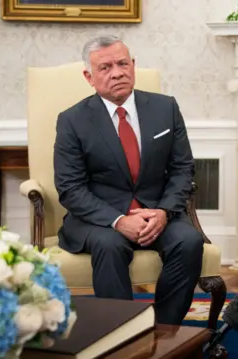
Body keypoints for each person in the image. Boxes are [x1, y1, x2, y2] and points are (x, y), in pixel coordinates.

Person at [53, 35, 204, 325]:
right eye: (106, 67)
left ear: (133, 65)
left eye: (123, 63)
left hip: (157, 211)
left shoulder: (166, 108)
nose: (117, 72)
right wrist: (119, 220)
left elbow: (182, 168)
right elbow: (70, 188)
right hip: (100, 220)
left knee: (188, 241)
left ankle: (164, 331)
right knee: (110, 245)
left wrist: (163, 213)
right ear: (89, 76)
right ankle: (122, 335)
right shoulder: (72, 121)